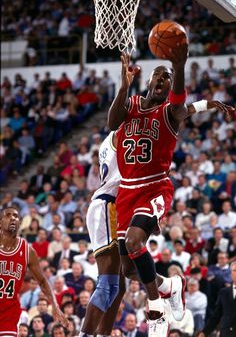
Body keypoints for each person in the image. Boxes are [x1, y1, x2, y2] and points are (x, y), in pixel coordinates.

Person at [107, 49, 234, 335]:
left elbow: (182, 106)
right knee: (128, 269)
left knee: (135, 241)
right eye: (159, 75)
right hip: (127, 190)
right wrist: (124, 87)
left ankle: (156, 310)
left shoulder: (170, 112)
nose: (164, 79)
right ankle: (171, 285)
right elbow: (112, 123)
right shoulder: (133, 104)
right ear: (150, 81)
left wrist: (180, 65)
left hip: (155, 186)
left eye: (169, 77)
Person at [79, 131, 126, 336]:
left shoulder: (109, 141)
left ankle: (103, 334)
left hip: (112, 206)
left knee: (119, 287)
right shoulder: (120, 134)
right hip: (108, 205)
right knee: (108, 285)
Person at [0, 207, 68, 337]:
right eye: (8, 215)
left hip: (9, 314)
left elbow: (42, 281)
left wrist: (54, 304)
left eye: (16, 216)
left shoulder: (27, 251)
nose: (13, 218)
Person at [198, 261, 236, 337]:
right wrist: (204, 332)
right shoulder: (223, 292)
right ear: (231, 273)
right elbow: (216, 316)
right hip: (226, 333)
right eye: (235, 270)